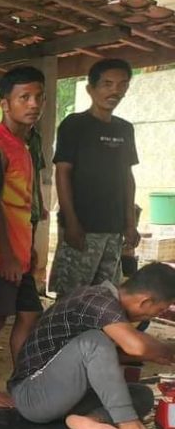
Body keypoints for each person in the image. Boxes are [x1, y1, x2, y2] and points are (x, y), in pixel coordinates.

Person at [10, 263, 175, 429]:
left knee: (142, 395)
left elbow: (110, 358)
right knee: (94, 342)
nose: (155, 316)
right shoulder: (97, 300)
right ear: (145, 301)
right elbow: (136, 346)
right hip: (32, 396)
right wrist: (168, 350)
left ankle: (89, 420)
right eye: (158, 310)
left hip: (65, 397)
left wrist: (158, 354)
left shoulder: (107, 304)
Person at [0, 66, 47, 408]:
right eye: (24, 97)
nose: (33, 104)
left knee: (30, 315)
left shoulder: (25, 145)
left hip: (20, 252)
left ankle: (23, 383)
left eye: (38, 97)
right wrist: (6, 255)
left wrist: (27, 249)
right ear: (4, 103)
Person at [49, 58, 139, 298]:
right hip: (82, 228)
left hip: (114, 229)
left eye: (122, 84)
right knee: (72, 297)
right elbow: (62, 172)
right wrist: (71, 222)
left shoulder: (125, 129)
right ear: (91, 89)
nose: (115, 91)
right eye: (107, 84)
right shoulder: (74, 125)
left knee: (106, 298)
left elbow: (127, 177)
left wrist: (130, 223)